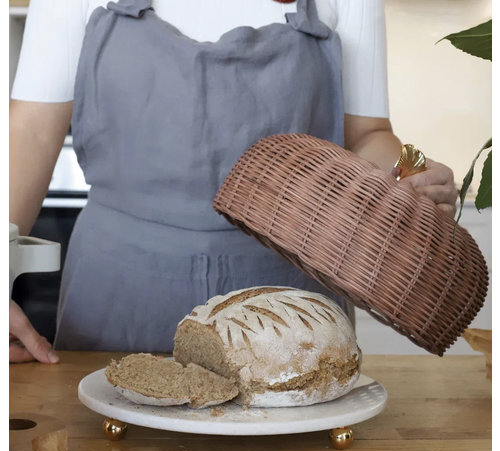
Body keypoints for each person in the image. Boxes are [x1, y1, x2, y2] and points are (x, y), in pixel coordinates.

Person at [9, 0, 458, 364]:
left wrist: (412, 169)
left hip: (291, 315)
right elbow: (30, 130)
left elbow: (370, 134)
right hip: (114, 300)